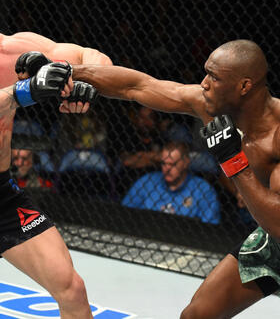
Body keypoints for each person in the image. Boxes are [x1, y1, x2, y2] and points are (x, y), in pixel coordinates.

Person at [66, 39, 280, 318]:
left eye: (214, 77)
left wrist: (234, 161)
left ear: (244, 86)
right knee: (195, 315)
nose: (203, 83)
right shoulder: (211, 106)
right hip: (273, 242)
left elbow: (277, 222)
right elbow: (137, 86)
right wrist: (71, 72)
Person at [0, 31, 112, 319]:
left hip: (1, 197)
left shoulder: (13, 50)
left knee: (71, 288)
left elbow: (94, 56)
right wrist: (23, 91)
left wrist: (80, 81)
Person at [122, 141, 220, 224]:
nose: (167, 168)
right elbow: (123, 214)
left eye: (172, 164)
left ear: (186, 163)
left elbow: (210, 229)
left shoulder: (203, 190)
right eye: (164, 163)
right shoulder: (147, 182)